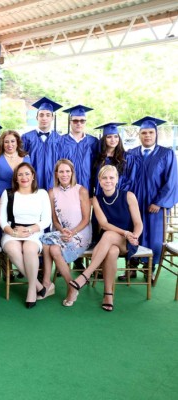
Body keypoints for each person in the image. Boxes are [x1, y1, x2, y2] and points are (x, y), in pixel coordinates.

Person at [68, 166, 143, 311]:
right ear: (99, 181)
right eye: (104, 178)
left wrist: (133, 236)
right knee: (112, 250)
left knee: (109, 237)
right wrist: (126, 232)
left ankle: (85, 276)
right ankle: (108, 294)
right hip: (106, 242)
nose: (108, 181)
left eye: (111, 178)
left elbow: (138, 223)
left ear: (117, 180)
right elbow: (104, 224)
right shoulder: (96, 199)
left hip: (127, 242)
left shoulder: (128, 196)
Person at [127, 116, 178, 281]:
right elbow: (125, 179)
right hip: (134, 203)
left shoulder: (166, 153)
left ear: (156, 134)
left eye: (150, 132)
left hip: (154, 204)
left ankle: (150, 267)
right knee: (134, 233)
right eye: (144, 133)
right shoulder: (131, 153)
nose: (147, 135)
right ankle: (132, 267)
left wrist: (159, 202)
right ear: (139, 135)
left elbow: (171, 180)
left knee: (154, 236)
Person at [0, 162, 52, 308]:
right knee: (11, 248)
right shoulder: (8, 193)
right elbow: (2, 220)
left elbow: (47, 220)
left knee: (29, 250)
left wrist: (30, 230)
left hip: (34, 232)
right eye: (20, 174)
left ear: (33, 176)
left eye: (27, 174)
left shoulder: (42, 193)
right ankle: (36, 284)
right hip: (13, 231)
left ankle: (31, 290)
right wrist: (13, 232)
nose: (24, 177)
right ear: (16, 178)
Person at [40, 159, 92, 305]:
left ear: (72, 173)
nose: (64, 174)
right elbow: (54, 219)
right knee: (48, 244)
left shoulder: (81, 190)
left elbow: (86, 219)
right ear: (56, 174)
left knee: (52, 247)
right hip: (61, 232)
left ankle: (57, 285)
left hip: (81, 233)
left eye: (67, 171)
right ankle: (63, 284)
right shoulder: (52, 192)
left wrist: (73, 232)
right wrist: (61, 229)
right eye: (61, 171)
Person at [22, 97, 63, 190]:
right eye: (41, 115)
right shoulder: (26, 137)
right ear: (37, 117)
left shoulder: (60, 139)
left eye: (48, 115)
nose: (44, 118)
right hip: (31, 183)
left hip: (53, 184)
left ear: (52, 117)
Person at [57, 105, 99, 193]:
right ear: (70, 122)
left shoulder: (93, 142)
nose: (79, 123)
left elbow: (96, 167)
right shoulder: (60, 141)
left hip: (87, 187)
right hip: (66, 189)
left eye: (82, 121)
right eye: (75, 120)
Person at [93, 122, 141, 197]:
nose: (113, 139)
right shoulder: (98, 157)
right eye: (109, 137)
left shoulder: (127, 158)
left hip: (120, 197)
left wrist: (119, 195)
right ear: (104, 139)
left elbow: (131, 180)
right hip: (100, 197)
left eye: (116, 136)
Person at [0, 130, 31, 197]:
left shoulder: (26, 158)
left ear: (17, 142)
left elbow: (30, 180)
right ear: (2, 144)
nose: (10, 145)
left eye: (12, 141)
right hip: (0, 196)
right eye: (6, 142)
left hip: (21, 197)